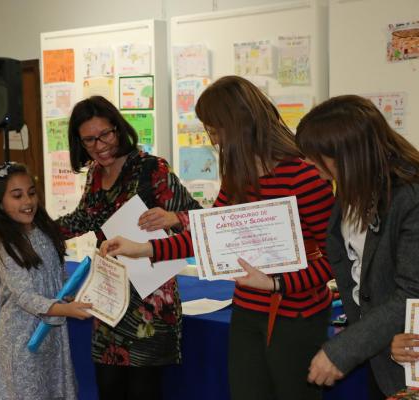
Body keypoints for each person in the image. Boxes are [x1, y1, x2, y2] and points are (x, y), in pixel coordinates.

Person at [100, 76, 335, 400]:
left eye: (213, 129)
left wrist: (279, 285)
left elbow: (337, 259)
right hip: (248, 311)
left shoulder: (304, 177)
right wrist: (143, 248)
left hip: (296, 317)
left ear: (236, 125)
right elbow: (206, 236)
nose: (212, 138)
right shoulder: (238, 177)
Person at [56, 95, 201, 400]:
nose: (99, 146)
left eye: (105, 134)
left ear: (118, 129)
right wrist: (39, 231)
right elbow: (85, 217)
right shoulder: (96, 173)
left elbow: (201, 221)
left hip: (150, 306)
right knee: (108, 388)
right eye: (89, 140)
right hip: (109, 300)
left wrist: (174, 216)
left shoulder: (151, 169)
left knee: (143, 392)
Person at [297, 95, 419, 398]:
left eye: (315, 156)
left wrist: (344, 349)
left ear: (345, 154)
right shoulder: (352, 190)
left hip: (407, 356)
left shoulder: (409, 197)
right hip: (384, 354)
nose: (309, 164)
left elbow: (410, 291)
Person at [0, 162, 92, 400]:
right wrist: (67, 310)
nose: (28, 202)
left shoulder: (47, 231)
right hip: (22, 340)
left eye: (31, 193)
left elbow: (59, 275)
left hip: (52, 337)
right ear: (0, 203)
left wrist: (72, 295)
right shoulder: (5, 246)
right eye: (17, 196)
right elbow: (26, 297)